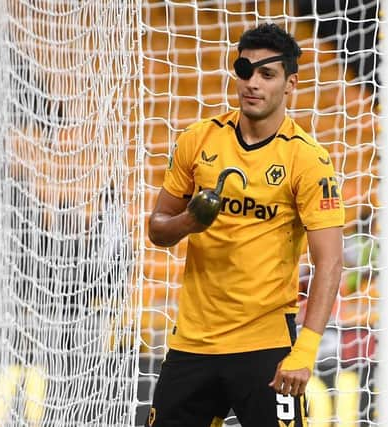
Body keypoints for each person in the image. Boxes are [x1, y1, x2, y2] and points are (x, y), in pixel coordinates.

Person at [147, 23, 344, 427]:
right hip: (192, 344)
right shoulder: (198, 140)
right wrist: (190, 221)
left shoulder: (307, 159)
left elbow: (330, 262)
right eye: (244, 70)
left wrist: (304, 352)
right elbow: (157, 229)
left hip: (266, 347)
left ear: (290, 84)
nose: (251, 83)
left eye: (266, 75)